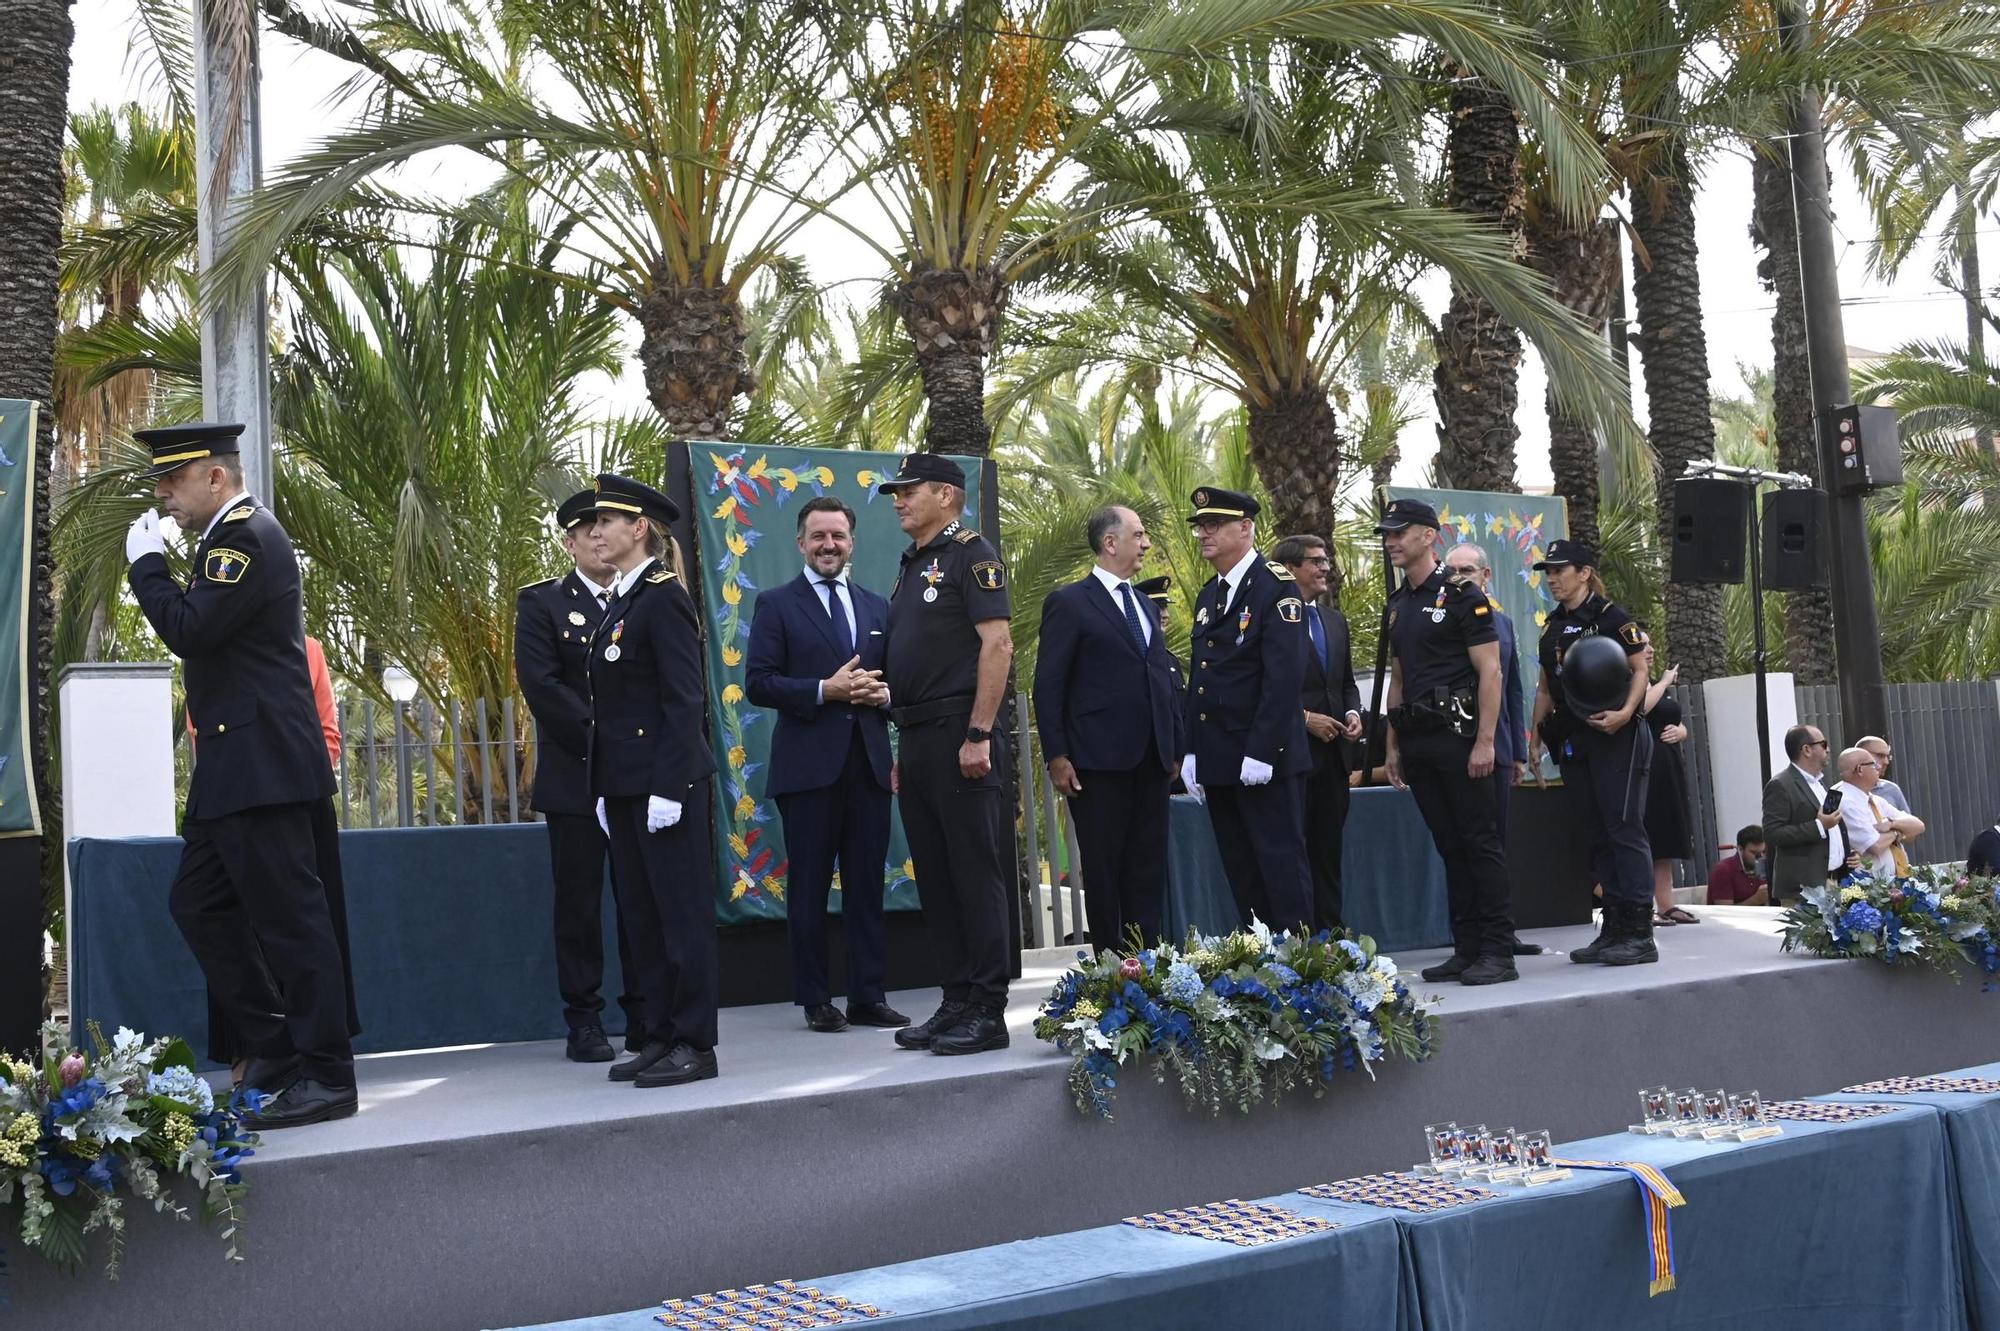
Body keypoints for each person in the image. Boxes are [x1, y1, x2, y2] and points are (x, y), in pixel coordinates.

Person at [125, 422, 355, 1128]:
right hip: (234, 766)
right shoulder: (224, 541)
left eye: (174, 479)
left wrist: (147, 568)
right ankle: (275, 1045)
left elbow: (191, 629)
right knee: (199, 903)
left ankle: (328, 1074)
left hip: (263, 765)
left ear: (216, 477)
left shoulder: (245, 537)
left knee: (292, 923)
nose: (164, 494)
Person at [745, 495, 908, 1034]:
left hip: (867, 768)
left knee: (866, 885)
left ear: (852, 542)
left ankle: (868, 995)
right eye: (818, 536)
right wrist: (825, 689)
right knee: (809, 887)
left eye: (837, 536)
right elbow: (759, 683)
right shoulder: (776, 604)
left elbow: (898, 685)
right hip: (808, 773)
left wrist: (881, 697)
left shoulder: (877, 607)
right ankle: (816, 999)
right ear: (800, 543)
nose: (828, 545)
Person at [878, 455, 1016, 1056]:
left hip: (963, 735)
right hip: (919, 737)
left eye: (909, 491)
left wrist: (979, 733)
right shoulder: (914, 564)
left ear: (947, 495)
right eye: (896, 492)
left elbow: (998, 643)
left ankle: (988, 1009)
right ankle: (955, 998)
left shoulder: (972, 554)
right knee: (935, 875)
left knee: (973, 873)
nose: (898, 500)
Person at [587, 473, 720, 1088]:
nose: (595, 533)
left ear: (638, 528)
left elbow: (682, 699)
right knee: (643, 919)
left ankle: (695, 1041)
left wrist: (668, 786)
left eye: (606, 522)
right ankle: (661, 1034)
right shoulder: (623, 599)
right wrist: (606, 791)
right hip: (627, 787)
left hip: (665, 787)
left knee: (680, 918)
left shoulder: (664, 595)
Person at [192, 634, 361, 1083]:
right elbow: (201, 731)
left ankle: (319, 1053)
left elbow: (328, 734)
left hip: (299, 796)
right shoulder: (209, 647)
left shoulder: (309, 650)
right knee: (235, 919)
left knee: (303, 922)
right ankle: (252, 1048)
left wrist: (290, 779)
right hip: (236, 796)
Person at [514, 489, 642, 1063]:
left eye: (605, 524)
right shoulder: (541, 603)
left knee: (641, 897)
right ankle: (584, 1020)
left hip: (637, 779)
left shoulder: (645, 598)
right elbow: (543, 686)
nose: (597, 535)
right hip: (577, 779)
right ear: (569, 542)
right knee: (579, 905)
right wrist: (609, 737)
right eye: (584, 528)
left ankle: (645, 1009)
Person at [1378, 500, 1517, 985]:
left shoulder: (1462, 595)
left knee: (1480, 844)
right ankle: (1468, 947)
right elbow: (1398, 678)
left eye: (1401, 532)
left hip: (1460, 738)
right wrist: (1392, 745)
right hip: (1418, 741)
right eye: (1388, 534)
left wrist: (1486, 742)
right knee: (1449, 847)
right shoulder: (1398, 605)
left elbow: (1491, 671)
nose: (1392, 541)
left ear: (1428, 536)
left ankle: (1499, 951)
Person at [1033, 505, 1181, 950]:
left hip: (1151, 761)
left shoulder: (1142, 603)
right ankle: (1110, 972)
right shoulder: (1069, 602)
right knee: (1104, 869)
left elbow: (1160, 677)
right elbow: (1049, 684)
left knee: (1146, 868)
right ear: (1110, 542)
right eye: (1138, 535)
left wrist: (1174, 746)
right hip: (1097, 762)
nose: (1147, 543)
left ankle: (1147, 966)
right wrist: (1057, 756)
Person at [1179, 487, 1313, 934]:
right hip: (1219, 756)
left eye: (1213, 524)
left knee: (1280, 865)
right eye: (1200, 525)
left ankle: (1300, 967)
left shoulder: (1276, 587)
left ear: (1246, 527)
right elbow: (1201, 680)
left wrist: (1262, 750)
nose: (1203, 534)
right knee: (1241, 870)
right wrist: (1192, 751)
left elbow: (1284, 677)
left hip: (1262, 757)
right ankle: (1258, 965)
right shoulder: (1209, 596)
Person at [1527, 540, 1655, 966]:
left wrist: (1624, 713)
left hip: (1616, 736)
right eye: (1548, 571)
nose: (1552, 578)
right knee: (1596, 834)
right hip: (1574, 737)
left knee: (1623, 829)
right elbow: (1547, 687)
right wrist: (1534, 739)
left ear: (1584, 572)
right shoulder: (1552, 626)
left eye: (1560, 570)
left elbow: (1640, 670)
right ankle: (1613, 927)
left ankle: (1640, 932)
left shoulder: (1611, 617)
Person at [1443, 541, 1540, 958]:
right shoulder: (1440, 620)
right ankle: (1471, 938)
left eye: (1467, 571)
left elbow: (1513, 686)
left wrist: (1517, 750)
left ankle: (1502, 932)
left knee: (1495, 844)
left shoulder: (1500, 623)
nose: (1458, 579)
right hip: (1455, 747)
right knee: (1462, 847)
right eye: (1452, 572)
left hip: (1497, 749)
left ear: (1485, 576)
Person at [1273, 534, 1362, 935]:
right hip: (1292, 754)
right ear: (1291, 569)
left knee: (1329, 850)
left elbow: (1345, 683)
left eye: (1327, 560)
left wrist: (1350, 712)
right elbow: (1263, 687)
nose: (1326, 567)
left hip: (1334, 759)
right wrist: (1304, 718)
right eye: (1316, 561)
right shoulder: (1272, 618)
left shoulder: (1333, 619)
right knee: (1294, 853)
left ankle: (1334, 934)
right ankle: (1301, 938)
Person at [1637, 637, 1699, 926]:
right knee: (1645, 836)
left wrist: (1681, 732)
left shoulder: (1654, 683)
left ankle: (1667, 904)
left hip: (1669, 767)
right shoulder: (1630, 679)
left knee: (1665, 836)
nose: (1650, 650)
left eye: (1651, 644)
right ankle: (1642, 905)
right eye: (1643, 645)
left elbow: (1675, 719)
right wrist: (1664, 682)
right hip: (1643, 767)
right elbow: (1641, 709)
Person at [1761, 725, 1851, 901]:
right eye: (1823, 744)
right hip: (1802, 890)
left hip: (1832, 882)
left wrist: (1846, 853)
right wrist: (1819, 826)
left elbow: (1831, 826)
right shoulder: (1781, 784)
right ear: (1807, 750)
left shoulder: (1819, 783)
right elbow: (1772, 834)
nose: (1828, 749)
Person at [1833, 746, 1925, 878]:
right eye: (1874, 764)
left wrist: (1892, 824)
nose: (1879, 768)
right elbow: (1875, 845)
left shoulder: (1874, 800)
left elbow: (1918, 826)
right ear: (1860, 769)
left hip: (1894, 882)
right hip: (1868, 887)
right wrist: (1897, 832)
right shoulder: (1846, 801)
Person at [1706, 825, 1770, 906]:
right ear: (1740, 849)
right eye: (1754, 853)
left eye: (1763, 852)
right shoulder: (1723, 870)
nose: (1760, 857)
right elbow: (1724, 913)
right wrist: (1755, 900)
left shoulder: (1766, 867)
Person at [1855, 736, 1910, 814]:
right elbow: (1831, 824)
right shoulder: (1837, 792)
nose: (1886, 762)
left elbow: (1911, 823)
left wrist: (1891, 823)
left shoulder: (1891, 789)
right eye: (1880, 755)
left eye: (1888, 757)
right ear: (1860, 755)